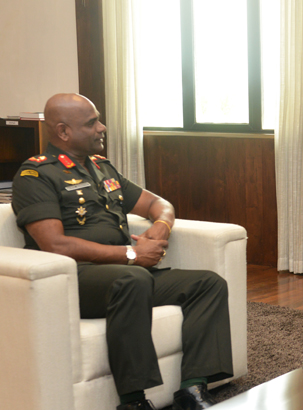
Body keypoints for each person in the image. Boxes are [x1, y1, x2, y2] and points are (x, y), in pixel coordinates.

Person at [11, 94, 233, 410]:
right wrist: (132, 255)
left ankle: (192, 391)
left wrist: (162, 225)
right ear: (63, 132)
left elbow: (158, 203)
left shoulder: (102, 168)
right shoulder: (36, 175)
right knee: (133, 279)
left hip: (126, 276)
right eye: (92, 123)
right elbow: (55, 245)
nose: (102, 127)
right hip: (76, 279)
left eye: (99, 120)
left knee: (208, 284)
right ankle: (133, 402)